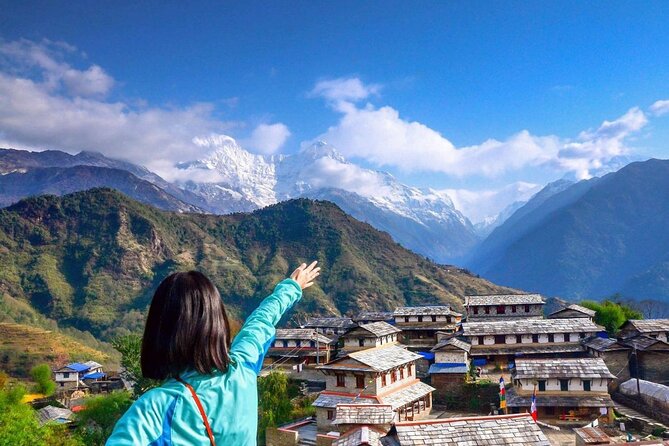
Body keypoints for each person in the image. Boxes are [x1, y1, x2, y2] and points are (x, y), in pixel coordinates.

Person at [106, 261, 320, 445]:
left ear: (158, 329)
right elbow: (261, 320)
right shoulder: (243, 369)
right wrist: (292, 287)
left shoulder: (155, 409)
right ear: (218, 323)